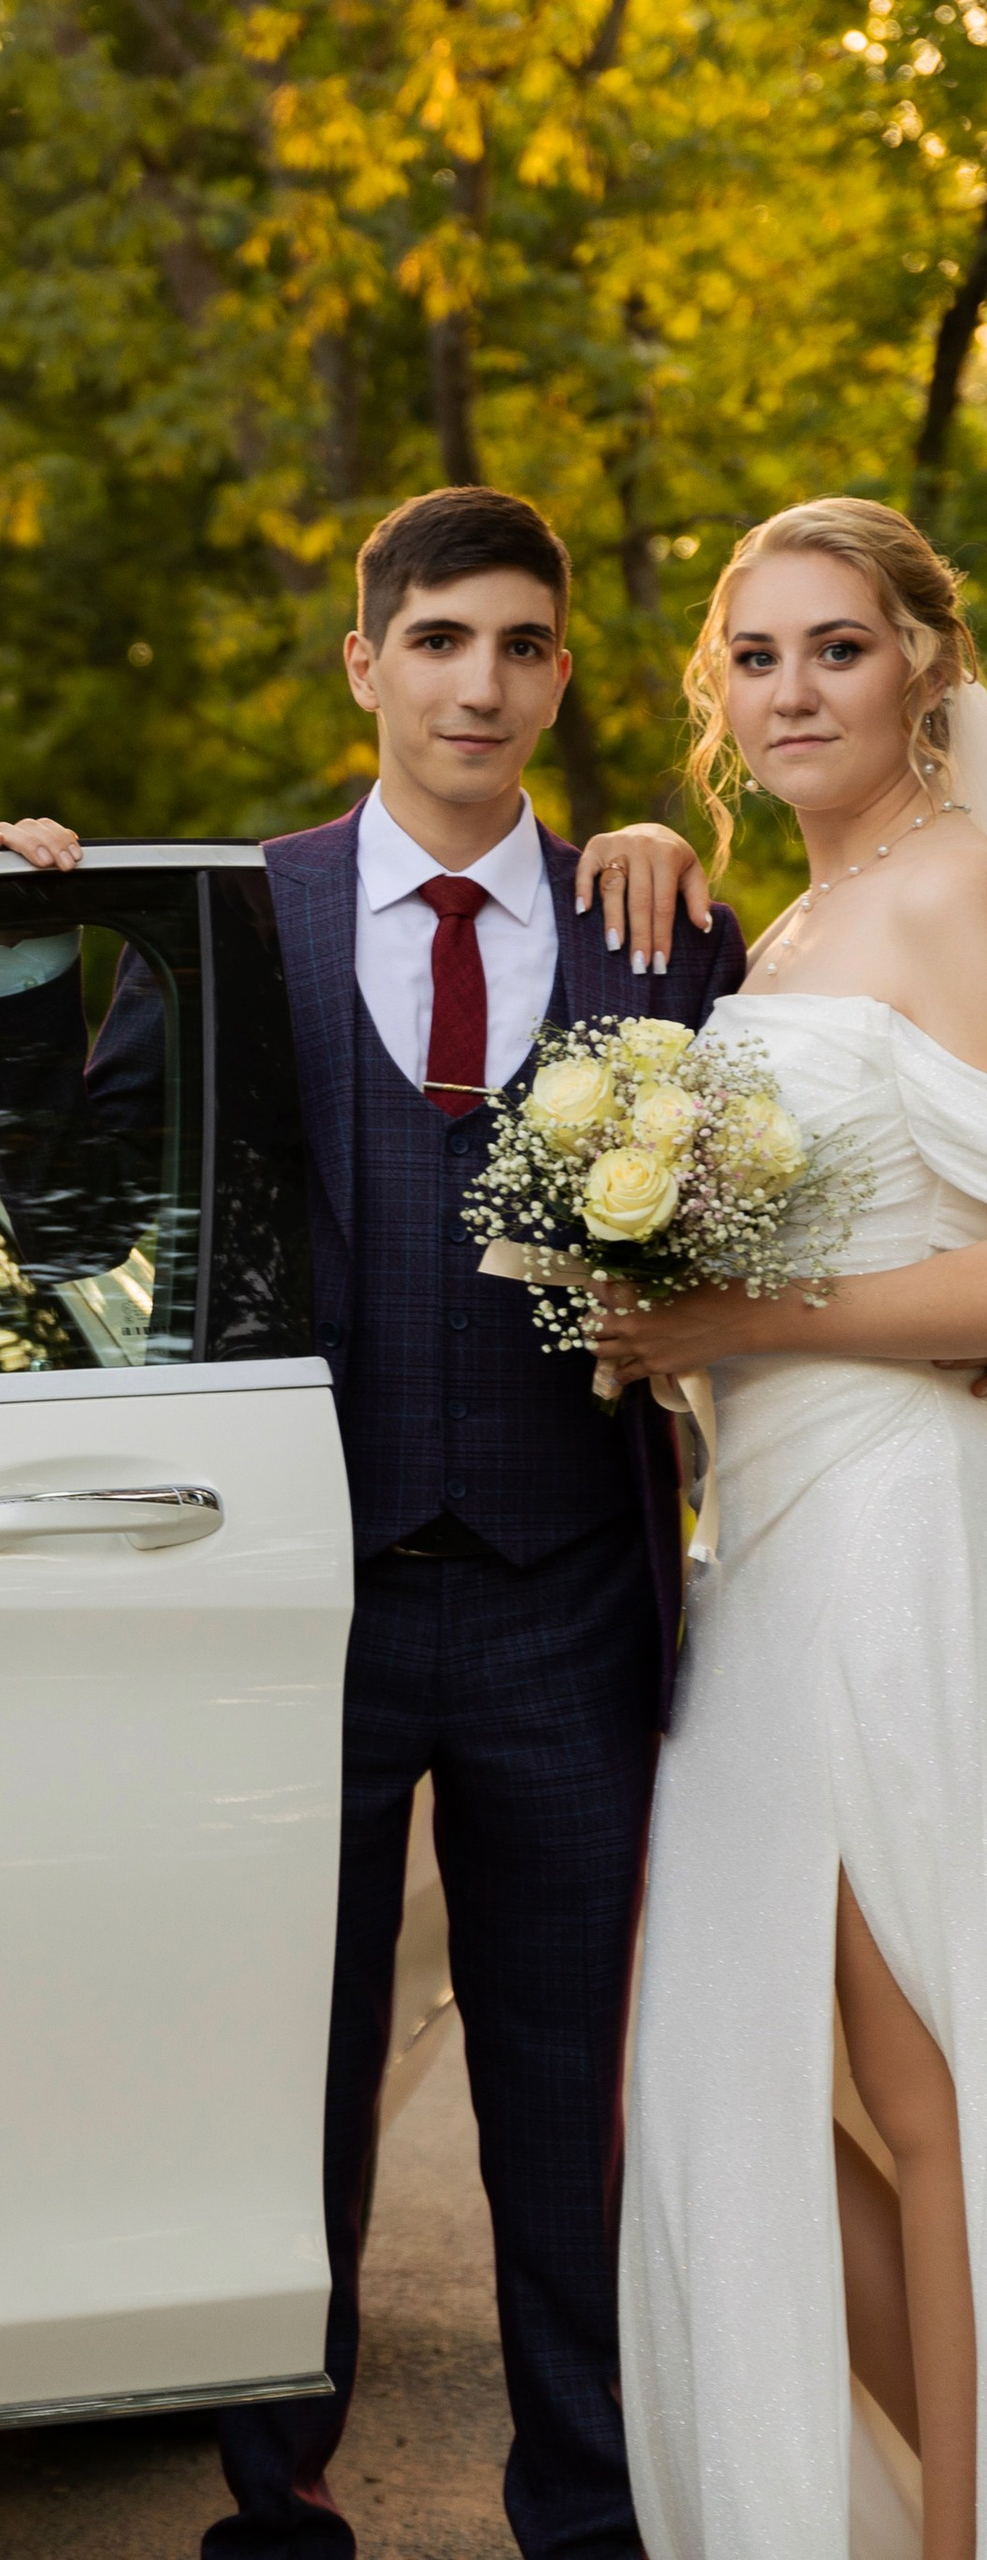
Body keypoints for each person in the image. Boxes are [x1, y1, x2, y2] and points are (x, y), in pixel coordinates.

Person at [0, 482, 742, 2560]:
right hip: (285, 1603)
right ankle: (271, 2506)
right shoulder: (239, 913)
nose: (475, 681)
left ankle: (584, 2508)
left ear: (558, 673)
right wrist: (24, 952)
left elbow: (764, 1221)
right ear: (363, 664)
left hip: (564, 1594)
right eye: (436, 641)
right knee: (277, 2078)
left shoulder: (647, 922)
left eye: (516, 645)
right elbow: (57, 1200)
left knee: (563, 2094)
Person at [591, 496, 987, 2560]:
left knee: (927, 2096)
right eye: (755, 656)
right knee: (722, 2067)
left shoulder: (961, 881)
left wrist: (716, 1310)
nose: (793, 688)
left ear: (920, 656)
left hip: (895, 1536)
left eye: (836, 645)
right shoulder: (780, 931)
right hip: (748, 1556)